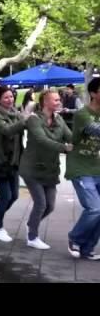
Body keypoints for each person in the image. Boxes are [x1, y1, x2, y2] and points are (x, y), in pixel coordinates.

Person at [19, 89, 73, 250]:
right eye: (55, 100)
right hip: (31, 168)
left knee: (50, 205)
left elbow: (70, 137)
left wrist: (83, 142)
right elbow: (42, 140)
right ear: (45, 102)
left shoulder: (59, 119)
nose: (59, 102)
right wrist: (65, 148)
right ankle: (32, 236)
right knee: (41, 203)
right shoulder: (34, 120)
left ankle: (31, 225)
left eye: (59, 100)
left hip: (50, 169)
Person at [0, 85, 26, 242]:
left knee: (14, 196)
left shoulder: (16, 114)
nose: (10, 100)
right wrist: (24, 119)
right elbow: (8, 130)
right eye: (6, 97)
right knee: (6, 196)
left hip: (14, 161)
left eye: (11, 96)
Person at [65, 77, 100, 260]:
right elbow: (95, 129)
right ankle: (75, 238)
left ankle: (87, 248)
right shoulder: (82, 113)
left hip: (96, 167)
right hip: (79, 167)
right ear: (93, 94)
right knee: (95, 209)